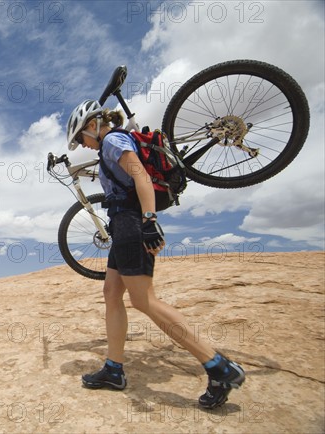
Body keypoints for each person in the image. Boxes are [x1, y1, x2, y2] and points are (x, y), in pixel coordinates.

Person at [66, 100, 245, 409]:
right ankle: (114, 369)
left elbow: (141, 177)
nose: (82, 144)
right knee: (111, 293)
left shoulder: (111, 140)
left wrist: (149, 221)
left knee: (143, 300)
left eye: (81, 137)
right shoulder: (110, 145)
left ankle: (219, 367)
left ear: (93, 126)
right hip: (122, 224)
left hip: (132, 223)